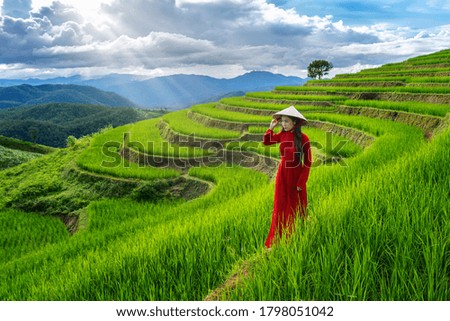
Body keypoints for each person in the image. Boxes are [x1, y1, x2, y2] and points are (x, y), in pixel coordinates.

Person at [262, 106, 312, 248]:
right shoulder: (282, 135)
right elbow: (267, 142)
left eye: (286, 121)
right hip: (283, 174)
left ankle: (298, 234)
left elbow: (308, 162)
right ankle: (279, 237)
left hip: (296, 174)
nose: (283, 124)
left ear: (295, 123)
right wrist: (270, 128)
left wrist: (301, 181)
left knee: (297, 204)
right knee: (281, 204)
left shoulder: (304, 138)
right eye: (282, 121)